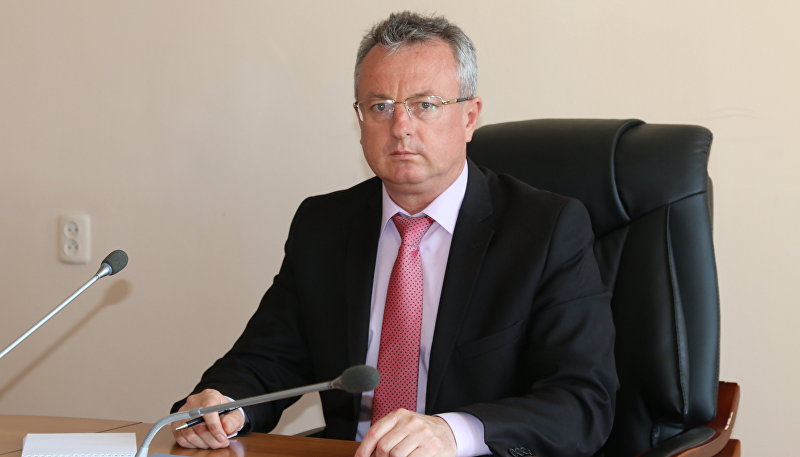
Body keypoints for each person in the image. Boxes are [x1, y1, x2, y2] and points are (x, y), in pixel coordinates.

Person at [171, 11, 617, 457]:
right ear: (360, 119)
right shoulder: (324, 225)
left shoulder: (545, 230)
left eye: (426, 104)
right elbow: (268, 358)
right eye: (380, 106)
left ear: (469, 117)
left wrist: (452, 432)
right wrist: (224, 403)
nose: (401, 127)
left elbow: (581, 402)